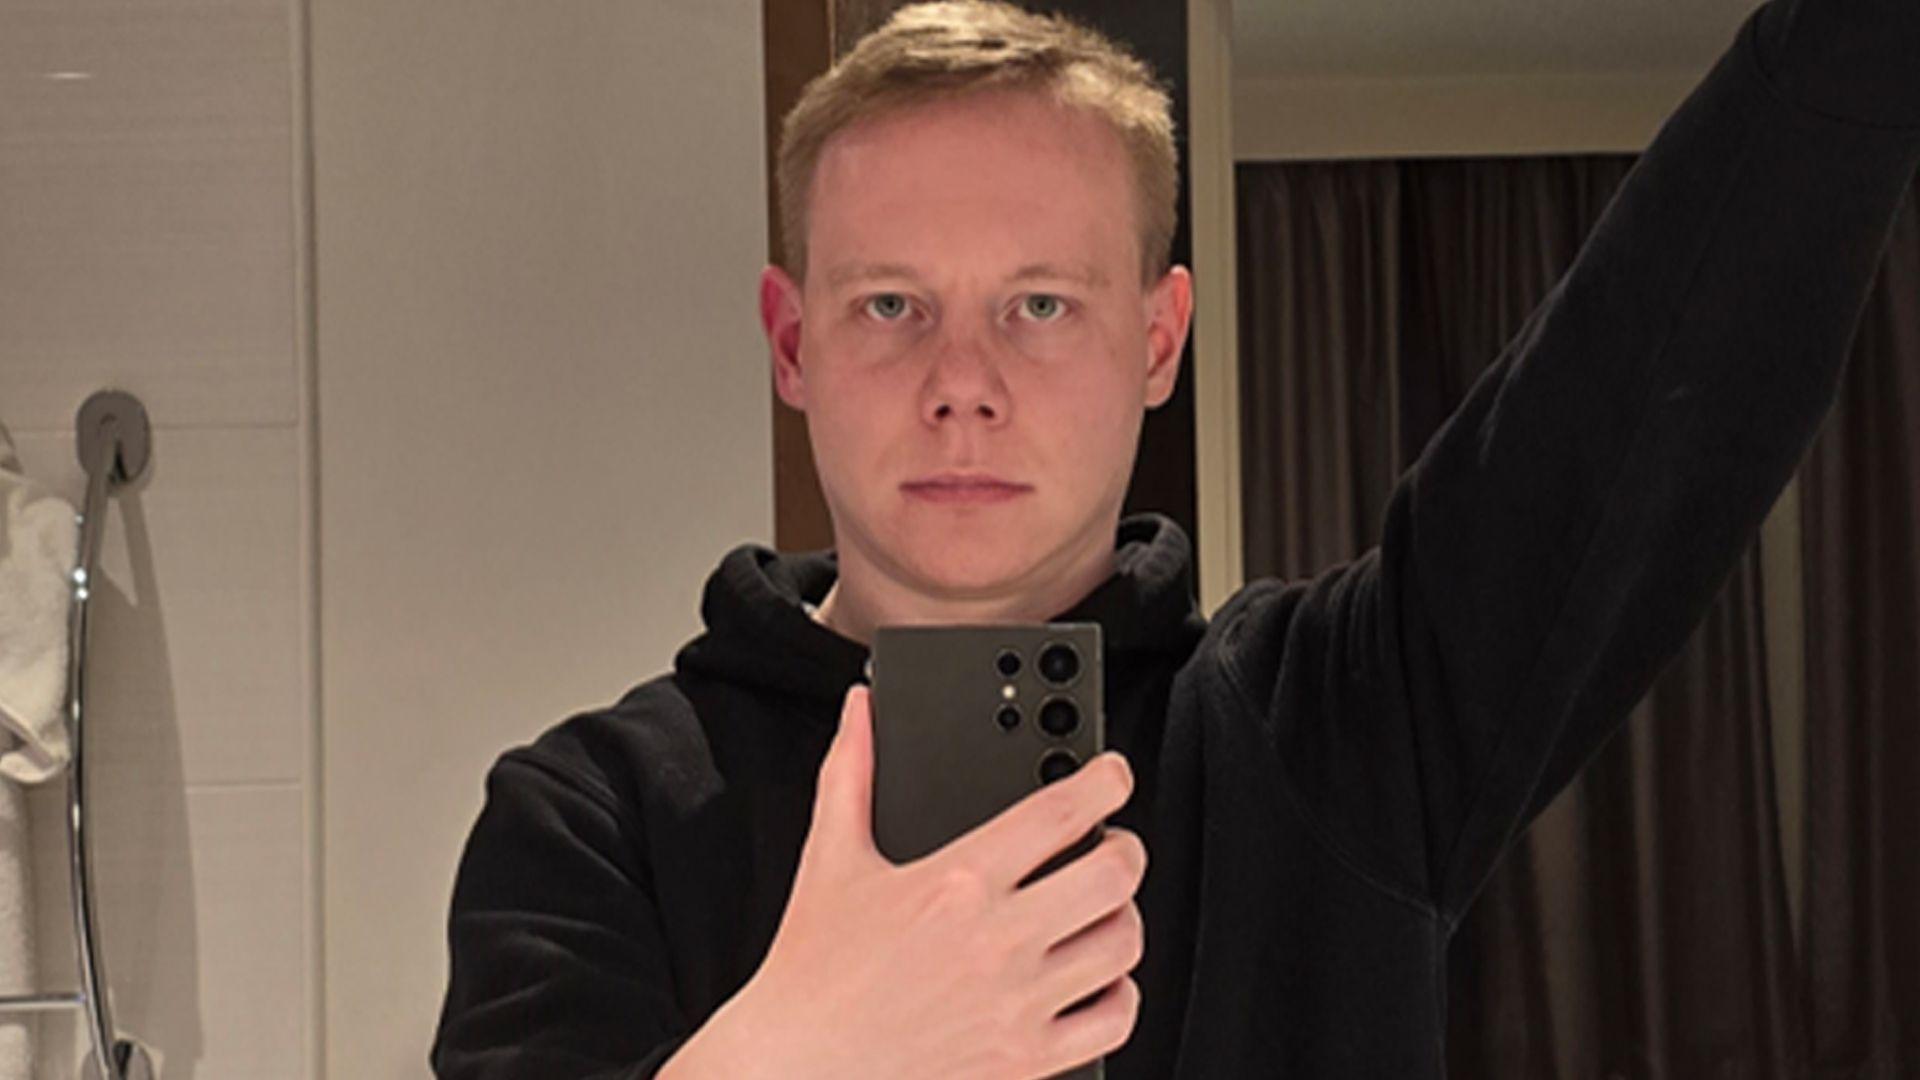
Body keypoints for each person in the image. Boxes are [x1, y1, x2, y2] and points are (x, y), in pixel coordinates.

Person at [429, 0, 1920, 1076]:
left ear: (1159, 336)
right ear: (791, 340)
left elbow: (1659, 376)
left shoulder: (1333, 729)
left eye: (1040, 304)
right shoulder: (595, 818)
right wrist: (804, 1056)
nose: (963, 383)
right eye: (891, 304)